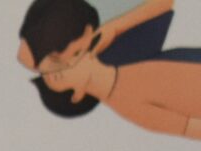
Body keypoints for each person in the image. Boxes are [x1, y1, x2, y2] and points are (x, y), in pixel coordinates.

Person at [20, 0, 201, 137]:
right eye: (57, 74)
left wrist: (114, 28)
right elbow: (187, 127)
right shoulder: (128, 105)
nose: (68, 62)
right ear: (77, 94)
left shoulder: (120, 52)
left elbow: (162, 5)